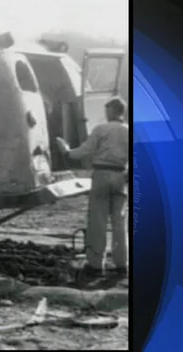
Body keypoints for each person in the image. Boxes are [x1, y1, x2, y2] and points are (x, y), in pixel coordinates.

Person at [55, 96, 129, 281]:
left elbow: (84, 151)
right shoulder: (130, 131)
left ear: (111, 111)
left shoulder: (101, 130)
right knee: (119, 222)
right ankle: (122, 265)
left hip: (102, 174)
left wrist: (66, 151)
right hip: (121, 175)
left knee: (98, 220)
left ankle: (96, 265)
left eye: (106, 110)